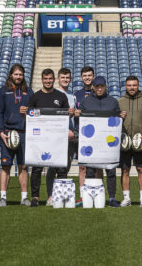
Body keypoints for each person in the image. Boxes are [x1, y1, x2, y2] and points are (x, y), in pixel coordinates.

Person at [77, 76, 126, 207]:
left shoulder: (113, 101)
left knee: (110, 170)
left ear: (105, 87)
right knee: (90, 171)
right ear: (93, 87)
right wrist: (77, 115)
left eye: (101, 86)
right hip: (91, 141)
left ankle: (111, 199)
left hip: (108, 142)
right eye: (97, 86)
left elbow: (118, 121)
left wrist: (122, 116)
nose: (99, 89)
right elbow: (80, 122)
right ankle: (88, 198)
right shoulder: (86, 102)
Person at [28, 68, 70, 207]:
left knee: (60, 168)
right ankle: (35, 197)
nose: (48, 81)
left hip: (57, 139)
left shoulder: (61, 96)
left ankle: (60, 197)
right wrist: (24, 112)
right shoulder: (35, 96)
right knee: (37, 168)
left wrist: (70, 113)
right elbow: (30, 116)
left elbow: (66, 117)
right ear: (42, 80)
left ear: (54, 79)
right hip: (39, 139)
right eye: (45, 79)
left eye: (50, 79)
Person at [0, 64, 33, 207]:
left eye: (20, 74)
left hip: (24, 134)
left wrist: (29, 111)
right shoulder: (2, 92)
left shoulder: (29, 92)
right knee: (6, 166)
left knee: (23, 166)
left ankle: (24, 198)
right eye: (16, 74)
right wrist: (1, 131)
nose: (18, 77)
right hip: (8, 134)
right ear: (11, 75)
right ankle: (3, 197)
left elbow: (35, 112)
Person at [45, 68, 77, 206]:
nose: (65, 79)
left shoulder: (72, 96)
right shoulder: (53, 94)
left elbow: (71, 116)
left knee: (66, 166)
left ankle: (60, 195)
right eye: (63, 77)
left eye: (67, 77)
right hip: (55, 136)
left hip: (69, 136)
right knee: (53, 166)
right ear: (58, 79)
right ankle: (50, 196)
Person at [118, 75, 142, 207]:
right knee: (125, 170)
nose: (132, 88)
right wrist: (118, 116)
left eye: (134, 85)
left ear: (138, 86)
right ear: (125, 86)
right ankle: (127, 199)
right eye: (129, 85)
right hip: (124, 141)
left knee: (141, 169)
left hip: (140, 140)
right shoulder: (119, 102)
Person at [73, 66, 95, 206]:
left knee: (97, 166)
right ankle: (82, 196)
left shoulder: (99, 92)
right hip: (81, 134)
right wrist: (74, 113)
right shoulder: (77, 94)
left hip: (97, 134)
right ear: (81, 77)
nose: (87, 77)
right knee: (82, 167)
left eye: (89, 75)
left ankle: (96, 193)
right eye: (85, 75)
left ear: (93, 76)